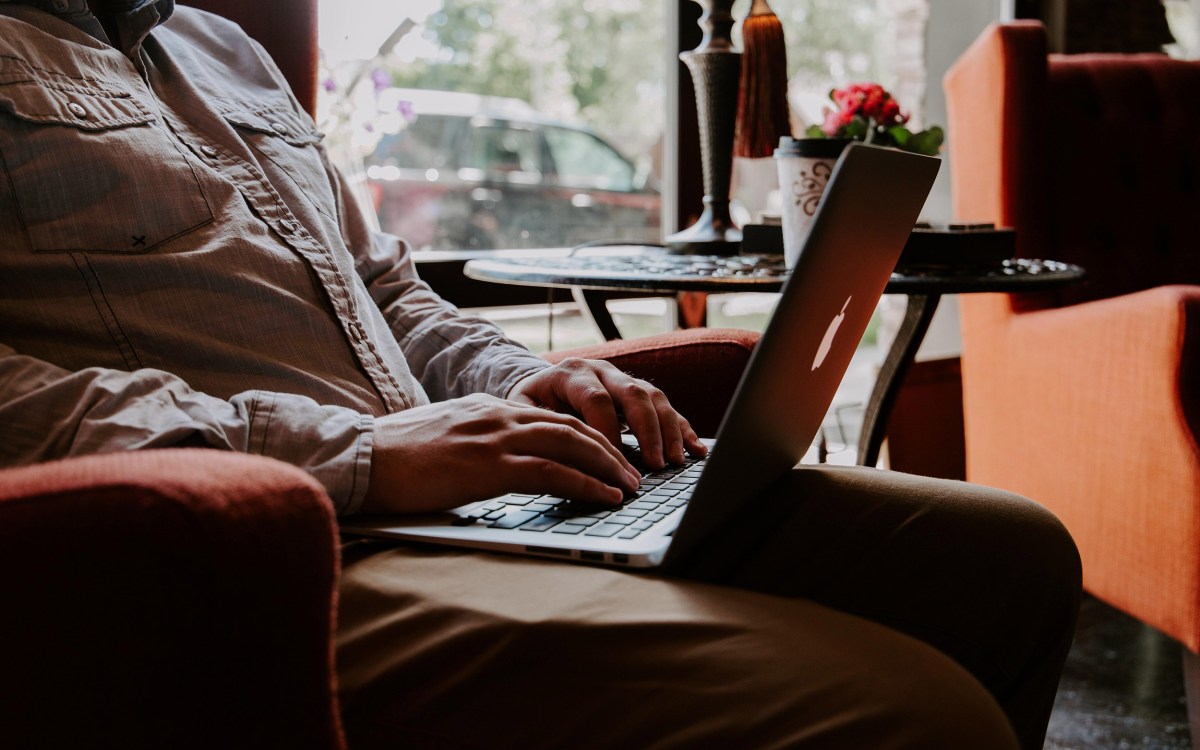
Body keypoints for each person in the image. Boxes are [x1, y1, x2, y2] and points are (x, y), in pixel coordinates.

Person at [0, 1, 1081, 747]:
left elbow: (392, 294)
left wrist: (527, 379)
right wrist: (366, 457)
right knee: (915, 716)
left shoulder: (224, 51)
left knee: (1012, 558)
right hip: (275, 560)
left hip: (470, 506)